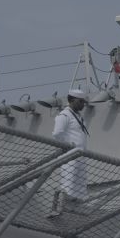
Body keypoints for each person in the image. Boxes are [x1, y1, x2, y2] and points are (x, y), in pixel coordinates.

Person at [47, 89, 89, 217]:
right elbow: (57, 133)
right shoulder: (64, 115)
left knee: (80, 183)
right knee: (69, 182)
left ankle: (78, 209)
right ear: (71, 100)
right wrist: (67, 146)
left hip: (80, 155)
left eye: (84, 102)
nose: (83, 104)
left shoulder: (79, 117)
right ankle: (61, 208)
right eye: (80, 101)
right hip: (70, 155)